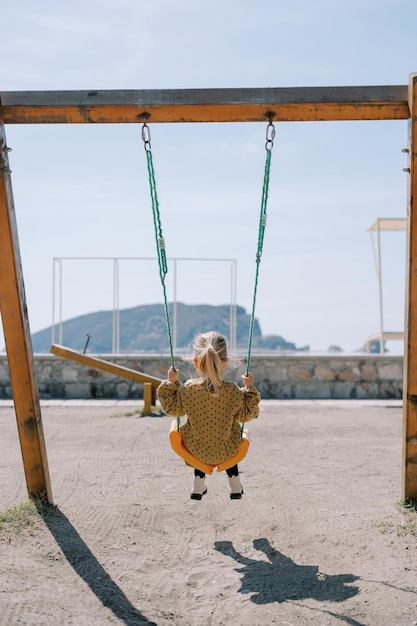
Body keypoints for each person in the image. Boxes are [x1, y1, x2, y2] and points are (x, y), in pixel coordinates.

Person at [158, 331, 261, 500]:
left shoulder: (188, 389)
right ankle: (235, 487)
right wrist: (249, 389)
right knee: (231, 435)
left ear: (196, 362)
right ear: (225, 362)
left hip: (196, 451)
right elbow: (246, 415)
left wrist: (170, 383)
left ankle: (197, 488)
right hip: (228, 451)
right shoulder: (233, 391)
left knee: (200, 436)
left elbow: (172, 409)